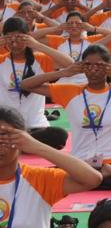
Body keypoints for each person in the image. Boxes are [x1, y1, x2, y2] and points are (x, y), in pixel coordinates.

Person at [21, 44, 111, 191]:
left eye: (99, 65)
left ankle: (85, 182)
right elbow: (26, 85)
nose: (93, 70)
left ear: (108, 67)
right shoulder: (70, 91)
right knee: (33, 178)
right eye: (88, 65)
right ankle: (100, 178)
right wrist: (64, 73)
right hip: (80, 163)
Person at [0, 17, 71, 150]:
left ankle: (17, 144)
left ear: (28, 37)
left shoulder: (40, 59)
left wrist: (37, 45)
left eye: (19, 38)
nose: (14, 43)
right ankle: (22, 144)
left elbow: (70, 65)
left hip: (35, 126)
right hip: (5, 126)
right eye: (9, 38)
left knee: (59, 135)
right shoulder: (2, 60)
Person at [32, 11, 111, 84]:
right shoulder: (59, 40)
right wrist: (56, 28)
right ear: (65, 26)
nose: (74, 26)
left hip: (87, 81)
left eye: (77, 23)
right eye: (70, 23)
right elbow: (31, 37)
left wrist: (92, 28)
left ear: (84, 25)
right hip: (65, 81)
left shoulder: (91, 40)